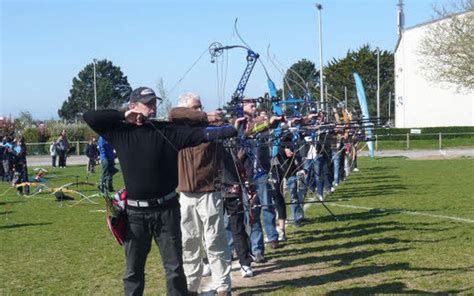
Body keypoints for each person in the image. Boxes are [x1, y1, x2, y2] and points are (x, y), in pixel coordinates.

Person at [83, 86, 237, 296]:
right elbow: (89, 116)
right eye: (147, 104)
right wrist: (123, 115)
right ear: (133, 106)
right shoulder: (120, 131)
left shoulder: (165, 130)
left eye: (154, 103)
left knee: (174, 269)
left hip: (167, 210)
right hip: (135, 214)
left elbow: (199, 134)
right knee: (133, 271)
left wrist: (229, 128)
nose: (153, 108)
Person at [168, 92, 231, 295]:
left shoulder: (210, 129)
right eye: (195, 107)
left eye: (201, 106)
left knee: (215, 241)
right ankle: (191, 287)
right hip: (186, 195)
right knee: (189, 243)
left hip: (209, 192)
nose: (200, 110)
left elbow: (229, 128)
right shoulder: (178, 129)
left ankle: (222, 286)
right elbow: (173, 113)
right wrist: (205, 116)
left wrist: (215, 119)